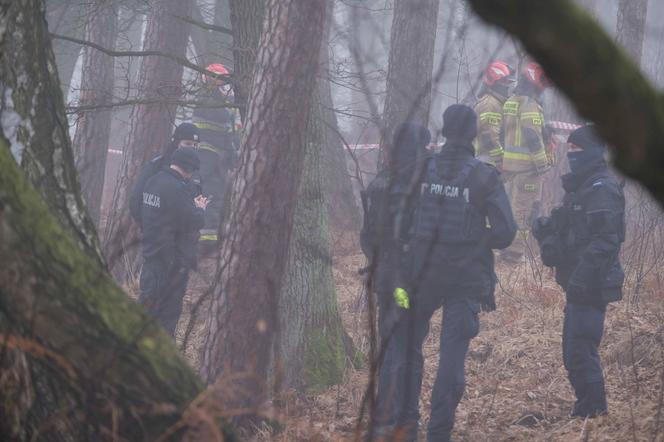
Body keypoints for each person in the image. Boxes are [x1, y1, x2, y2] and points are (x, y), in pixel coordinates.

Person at [372, 105, 517, 441]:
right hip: (465, 280)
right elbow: (506, 232)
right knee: (452, 358)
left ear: (444, 130)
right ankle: (439, 433)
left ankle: (405, 427)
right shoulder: (484, 176)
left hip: (419, 276)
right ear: (474, 134)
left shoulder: (423, 169)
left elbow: (401, 220)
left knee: (407, 350)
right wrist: (478, 239)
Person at [533, 124, 625, 418]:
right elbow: (568, 237)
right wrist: (545, 233)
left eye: (577, 151)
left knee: (580, 351)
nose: (571, 156)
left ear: (593, 153)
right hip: (577, 284)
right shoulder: (580, 190)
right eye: (569, 150)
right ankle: (587, 408)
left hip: (591, 285)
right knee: (574, 353)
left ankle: (594, 413)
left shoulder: (602, 189)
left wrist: (583, 278)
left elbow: (606, 241)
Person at [360, 121, 431, 440]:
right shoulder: (422, 184)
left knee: (396, 346)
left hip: (386, 280)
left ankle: (392, 419)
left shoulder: (380, 183)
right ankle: (399, 419)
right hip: (408, 285)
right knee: (407, 349)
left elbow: (367, 237)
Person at [139, 147, 210, 337]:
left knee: (145, 315)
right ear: (188, 168)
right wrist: (200, 208)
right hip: (171, 265)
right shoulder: (177, 189)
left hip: (150, 259)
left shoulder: (153, 181)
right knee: (167, 319)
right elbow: (193, 220)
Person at [501, 62, 552, 264]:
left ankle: (503, 251)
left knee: (509, 211)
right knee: (524, 214)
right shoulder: (530, 104)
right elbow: (532, 135)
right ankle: (512, 257)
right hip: (528, 170)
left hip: (509, 168)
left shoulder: (511, 101)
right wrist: (543, 164)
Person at [192, 63, 240, 249]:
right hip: (207, 154)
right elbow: (221, 118)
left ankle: (212, 237)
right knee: (210, 194)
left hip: (219, 155)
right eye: (218, 79)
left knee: (217, 195)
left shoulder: (224, 99)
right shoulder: (205, 97)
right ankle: (207, 241)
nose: (220, 83)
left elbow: (233, 132)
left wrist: (234, 151)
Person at [129, 123, 201, 225]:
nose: (192, 148)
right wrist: (150, 228)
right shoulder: (156, 167)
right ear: (176, 143)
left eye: (195, 145)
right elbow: (135, 202)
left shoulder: (196, 173)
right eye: (187, 144)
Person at [473, 60, 514, 170]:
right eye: (504, 82)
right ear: (494, 82)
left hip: (489, 163)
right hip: (486, 162)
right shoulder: (490, 105)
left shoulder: (496, 102)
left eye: (508, 82)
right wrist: (501, 161)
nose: (507, 86)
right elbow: (490, 137)